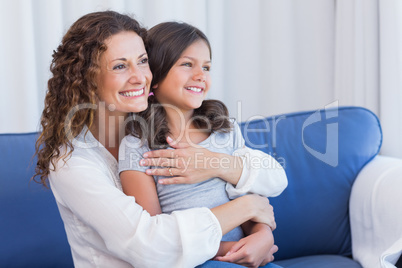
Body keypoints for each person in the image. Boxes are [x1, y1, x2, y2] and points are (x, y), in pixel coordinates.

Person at [33, 11, 280, 267]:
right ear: (87, 80)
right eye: (120, 66)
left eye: (142, 61)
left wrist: (261, 233)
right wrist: (249, 206)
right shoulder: (71, 163)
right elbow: (149, 246)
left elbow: (270, 177)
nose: (140, 77)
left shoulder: (166, 134)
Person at [118, 22, 287, 267]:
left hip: (250, 254)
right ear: (155, 76)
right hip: (196, 260)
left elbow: (248, 196)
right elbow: (154, 238)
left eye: (206, 67)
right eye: (187, 64)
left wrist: (262, 235)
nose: (201, 75)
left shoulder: (223, 130)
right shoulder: (137, 145)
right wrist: (234, 250)